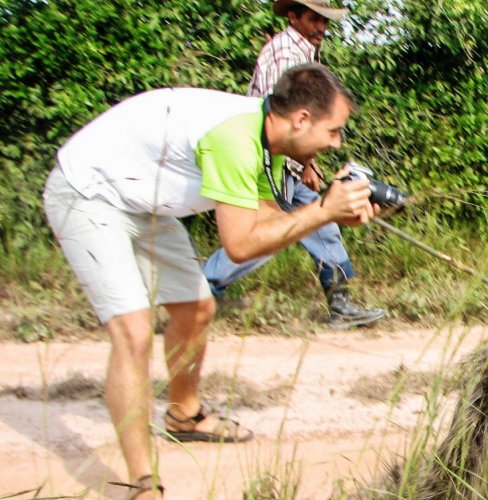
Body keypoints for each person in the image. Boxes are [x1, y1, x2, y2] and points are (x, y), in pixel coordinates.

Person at [42, 63, 377, 500]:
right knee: (133, 331)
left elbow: (271, 222)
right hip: (88, 192)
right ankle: (142, 483)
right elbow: (239, 245)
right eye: (334, 131)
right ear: (301, 120)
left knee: (196, 308)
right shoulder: (235, 138)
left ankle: (185, 416)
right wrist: (322, 212)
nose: (337, 142)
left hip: (143, 204)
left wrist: (337, 214)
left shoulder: (266, 142)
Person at [203, 0, 387, 329]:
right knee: (265, 236)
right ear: (293, 16)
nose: (321, 27)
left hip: (285, 158)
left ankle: (340, 302)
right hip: (270, 159)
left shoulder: (303, 51)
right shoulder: (287, 53)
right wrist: (306, 162)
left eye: (325, 21)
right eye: (314, 19)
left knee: (321, 222)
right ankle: (201, 288)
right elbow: (285, 120)